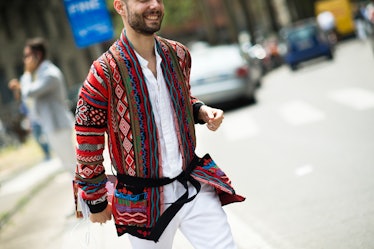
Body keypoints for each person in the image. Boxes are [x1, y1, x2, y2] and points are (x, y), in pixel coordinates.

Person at [73, 0, 245, 248]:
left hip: (193, 186)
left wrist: (200, 111)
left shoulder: (179, 54)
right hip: (143, 204)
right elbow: (87, 135)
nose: (154, 5)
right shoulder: (103, 72)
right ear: (120, 6)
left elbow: (178, 99)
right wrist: (95, 199)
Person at [12, 37, 76, 174]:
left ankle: (87, 194)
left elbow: (30, 91)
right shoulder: (39, 74)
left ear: (38, 55)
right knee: (68, 165)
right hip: (51, 125)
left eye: (27, 56)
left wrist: (27, 74)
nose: (25, 60)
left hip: (57, 125)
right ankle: (83, 194)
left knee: (72, 165)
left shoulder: (49, 74)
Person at [8, 79, 51, 161]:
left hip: (38, 118)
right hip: (32, 120)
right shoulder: (21, 96)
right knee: (38, 138)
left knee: (43, 136)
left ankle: (48, 152)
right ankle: (47, 153)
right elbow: (24, 109)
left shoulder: (26, 90)